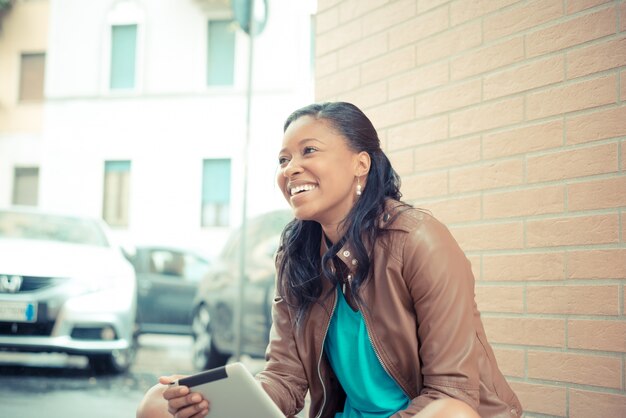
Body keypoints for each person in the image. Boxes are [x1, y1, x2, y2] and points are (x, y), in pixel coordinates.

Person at [137, 102, 523, 418]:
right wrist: (214, 403)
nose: (290, 169)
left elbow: (451, 392)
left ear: (361, 164)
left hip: (434, 414)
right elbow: (285, 381)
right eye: (283, 159)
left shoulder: (419, 241)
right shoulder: (297, 256)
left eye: (309, 151)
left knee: (452, 415)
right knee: (157, 404)